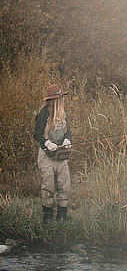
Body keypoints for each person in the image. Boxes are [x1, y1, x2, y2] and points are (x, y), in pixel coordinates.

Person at [33, 84, 72, 223]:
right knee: (48, 186)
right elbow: (36, 134)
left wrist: (67, 139)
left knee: (64, 186)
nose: (61, 100)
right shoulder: (43, 113)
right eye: (59, 98)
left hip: (61, 156)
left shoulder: (63, 114)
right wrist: (47, 143)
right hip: (46, 156)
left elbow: (68, 130)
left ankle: (62, 218)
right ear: (53, 99)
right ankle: (47, 218)